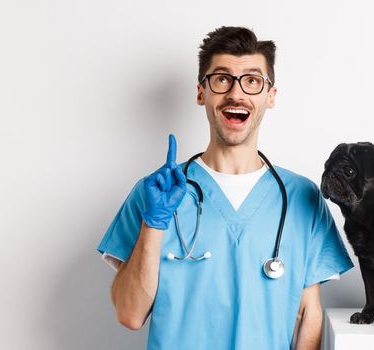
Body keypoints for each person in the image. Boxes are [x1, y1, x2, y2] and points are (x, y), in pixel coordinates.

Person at [95, 26, 355, 350]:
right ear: (201, 92)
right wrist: (153, 223)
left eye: (252, 80)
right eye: (221, 79)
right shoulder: (156, 193)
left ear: (270, 96)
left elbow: (308, 314)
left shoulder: (301, 198)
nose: (236, 93)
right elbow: (129, 314)